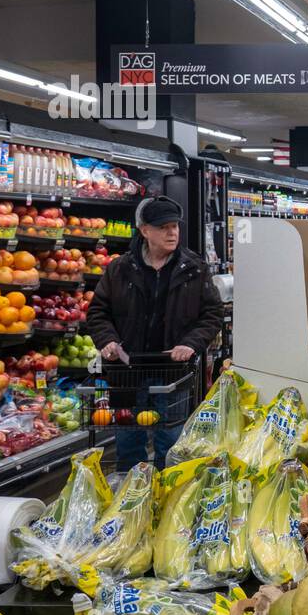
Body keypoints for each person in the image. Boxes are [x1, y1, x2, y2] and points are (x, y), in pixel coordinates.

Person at [86, 195, 223, 469]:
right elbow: (98, 312)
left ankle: (167, 497)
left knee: (170, 440)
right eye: (163, 227)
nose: (172, 232)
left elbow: (212, 314)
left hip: (173, 371)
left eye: (175, 226)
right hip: (126, 370)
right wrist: (108, 340)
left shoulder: (194, 268)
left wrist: (191, 343)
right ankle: (130, 495)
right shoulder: (120, 269)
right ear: (145, 230)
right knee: (127, 440)